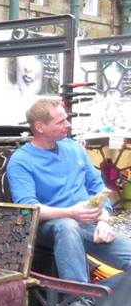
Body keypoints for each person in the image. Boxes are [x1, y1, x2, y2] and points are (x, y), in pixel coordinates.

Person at [7, 97, 131, 281]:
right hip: (50, 227)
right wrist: (71, 212)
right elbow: (27, 207)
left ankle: (101, 299)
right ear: (40, 127)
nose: (68, 125)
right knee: (67, 226)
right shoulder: (21, 160)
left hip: (88, 223)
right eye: (61, 121)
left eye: (66, 119)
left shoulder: (73, 148)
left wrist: (104, 219)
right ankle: (79, 302)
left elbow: (98, 187)